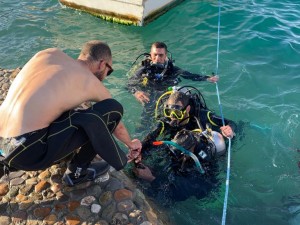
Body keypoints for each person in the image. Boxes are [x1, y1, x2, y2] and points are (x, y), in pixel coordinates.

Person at [0, 40, 142, 186]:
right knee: (111, 109)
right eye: (109, 71)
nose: (107, 76)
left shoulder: (49, 53)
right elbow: (116, 123)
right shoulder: (90, 81)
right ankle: (77, 172)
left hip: (2, 144)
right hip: (28, 151)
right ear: (102, 64)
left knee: (70, 111)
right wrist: (131, 144)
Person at [127, 87, 235, 202]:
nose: (172, 117)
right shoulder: (168, 120)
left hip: (197, 150)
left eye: (177, 113)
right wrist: (139, 150)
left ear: (187, 109)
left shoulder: (203, 116)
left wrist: (230, 129)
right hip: (180, 144)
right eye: (169, 112)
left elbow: (231, 123)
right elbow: (153, 135)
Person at [127, 42, 219, 130]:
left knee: (168, 120)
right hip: (150, 96)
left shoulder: (172, 69)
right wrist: (136, 92)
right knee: (145, 122)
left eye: (161, 55)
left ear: (165, 55)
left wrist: (207, 78)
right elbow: (130, 84)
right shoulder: (144, 69)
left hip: (167, 97)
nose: (157, 58)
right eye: (155, 55)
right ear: (150, 54)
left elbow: (189, 75)